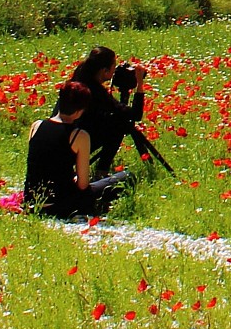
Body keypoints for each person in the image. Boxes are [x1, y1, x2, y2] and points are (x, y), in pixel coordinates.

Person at [24, 81, 136, 220]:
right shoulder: (79, 135)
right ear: (79, 111)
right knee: (127, 177)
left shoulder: (36, 125)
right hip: (62, 204)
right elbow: (83, 185)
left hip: (32, 201)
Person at [66, 47, 148, 179]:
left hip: (65, 137)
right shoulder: (95, 91)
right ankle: (101, 171)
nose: (115, 71)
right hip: (76, 142)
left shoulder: (80, 78)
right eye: (114, 67)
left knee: (111, 119)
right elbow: (135, 115)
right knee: (120, 123)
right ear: (104, 71)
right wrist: (139, 83)